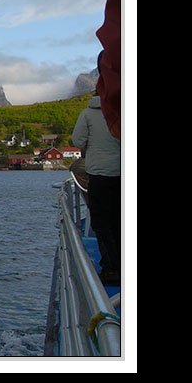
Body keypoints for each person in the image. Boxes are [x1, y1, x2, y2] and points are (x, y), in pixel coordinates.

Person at [72, 54, 121, 286]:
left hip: (99, 173)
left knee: (101, 222)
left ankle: (111, 268)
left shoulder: (88, 114)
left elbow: (78, 140)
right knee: (120, 218)